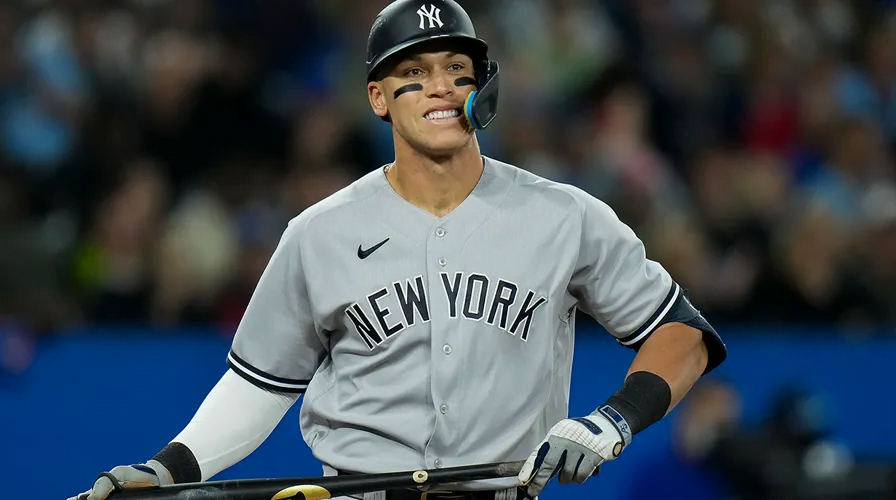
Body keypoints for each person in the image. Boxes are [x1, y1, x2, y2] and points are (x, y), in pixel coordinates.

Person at [69, 1, 727, 499]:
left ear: (483, 91)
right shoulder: (318, 232)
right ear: (378, 98)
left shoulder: (564, 216)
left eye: (456, 70)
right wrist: (168, 468)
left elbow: (683, 334)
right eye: (414, 72)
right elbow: (260, 385)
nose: (440, 87)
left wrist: (612, 421)